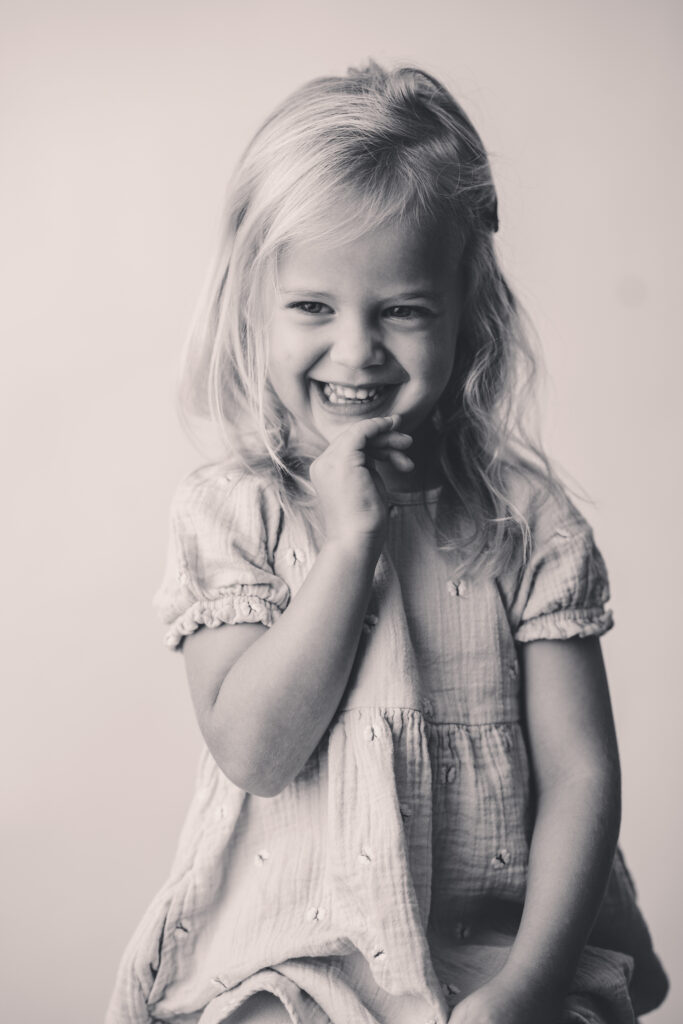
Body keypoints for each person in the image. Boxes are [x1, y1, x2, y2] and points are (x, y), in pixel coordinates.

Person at [106, 62, 668, 1024]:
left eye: (402, 308)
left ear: (464, 310)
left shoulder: (525, 523)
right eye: (313, 307)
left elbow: (581, 774)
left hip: (498, 956)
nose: (358, 350)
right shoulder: (232, 514)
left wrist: (525, 987)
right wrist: (348, 546)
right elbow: (255, 751)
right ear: (253, 306)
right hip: (287, 959)